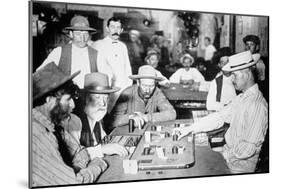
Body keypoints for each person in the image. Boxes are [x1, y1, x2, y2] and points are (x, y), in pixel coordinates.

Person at [174, 51, 268, 173]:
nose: (232, 79)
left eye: (235, 75)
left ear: (247, 74)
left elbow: (248, 148)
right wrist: (190, 128)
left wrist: (223, 156)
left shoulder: (256, 104)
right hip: (228, 155)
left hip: (238, 166)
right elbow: (219, 117)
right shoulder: (241, 98)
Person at [32, 63, 107, 187]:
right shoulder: (36, 132)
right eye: (68, 99)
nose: (73, 105)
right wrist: (98, 165)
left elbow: (80, 152)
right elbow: (72, 183)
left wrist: (76, 169)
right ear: (49, 100)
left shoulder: (53, 126)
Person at [65, 72, 128, 158]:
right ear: (85, 98)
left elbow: (104, 142)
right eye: (97, 97)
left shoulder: (97, 117)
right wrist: (101, 149)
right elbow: (74, 156)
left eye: (105, 97)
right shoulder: (73, 122)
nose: (102, 103)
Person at [37, 15, 98, 89]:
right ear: (71, 34)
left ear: (89, 35)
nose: (82, 38)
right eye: (78, 34)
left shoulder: (97, 54)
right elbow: (40, 74)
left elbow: (107, 77)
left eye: (85, 34)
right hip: (67, 98)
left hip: (89, 97)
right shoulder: (59, 52)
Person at [109, 65, 176, 130]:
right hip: (128, 134)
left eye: (151, 86)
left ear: (155, 84)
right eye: (144, 86)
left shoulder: (157, 92)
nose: (147, 90)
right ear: (138, 83)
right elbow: (112, 121)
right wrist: (130, 117)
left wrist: (146, 117)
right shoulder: (127, 94)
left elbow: (172, 113)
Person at [93, 17, 133, 113]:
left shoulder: (122, 46)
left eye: (118, 28)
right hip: (107, 88)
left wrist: (128, 86)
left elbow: (127, 68)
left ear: (122, 30)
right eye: (112, 27)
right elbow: (100, 67)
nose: (115, 30)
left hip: (123, 89)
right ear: (107, 28)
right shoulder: (99, 45)